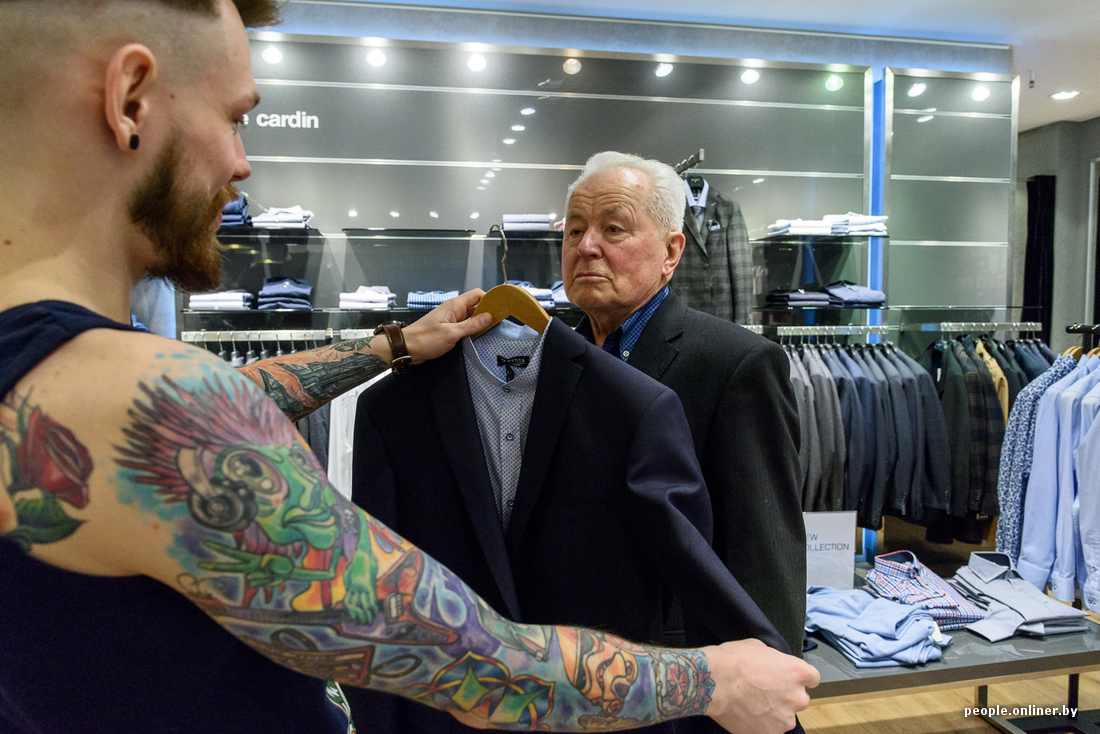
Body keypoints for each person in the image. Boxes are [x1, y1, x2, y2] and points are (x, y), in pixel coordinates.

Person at [0, 2, 819, 733]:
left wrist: (388, 347)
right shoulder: (163, 409)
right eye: (235, 116)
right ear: (131, 99)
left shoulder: (63, 384)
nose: (241, 162)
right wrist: (714, 680)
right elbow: (480, 664)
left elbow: (236, 394)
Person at [563, 152, 807, 657]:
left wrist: (768, 670)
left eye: (614, 229)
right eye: (575, 230)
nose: (586, 246)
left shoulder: (736, 364)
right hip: (567, 655)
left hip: (679, 661)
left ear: (671, 252)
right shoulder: (554, 356)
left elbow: (763, 554)